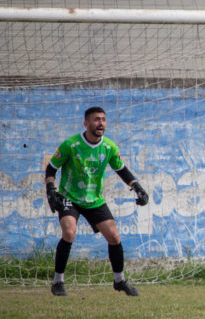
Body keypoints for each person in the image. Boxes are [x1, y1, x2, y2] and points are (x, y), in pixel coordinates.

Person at [45, 106, 149, 297]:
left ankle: (119, 281)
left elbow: (122, 170)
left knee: (114, 237)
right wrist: (51, 190)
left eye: (103, 119)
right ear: (86, 123)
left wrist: (138, 187)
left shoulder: (109, 147)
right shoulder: (71, 145)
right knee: (69, 232)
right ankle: (58, 282)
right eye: (96, 119)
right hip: (70, 197)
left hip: (94, 200)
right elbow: (51, 169)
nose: (100, 123)